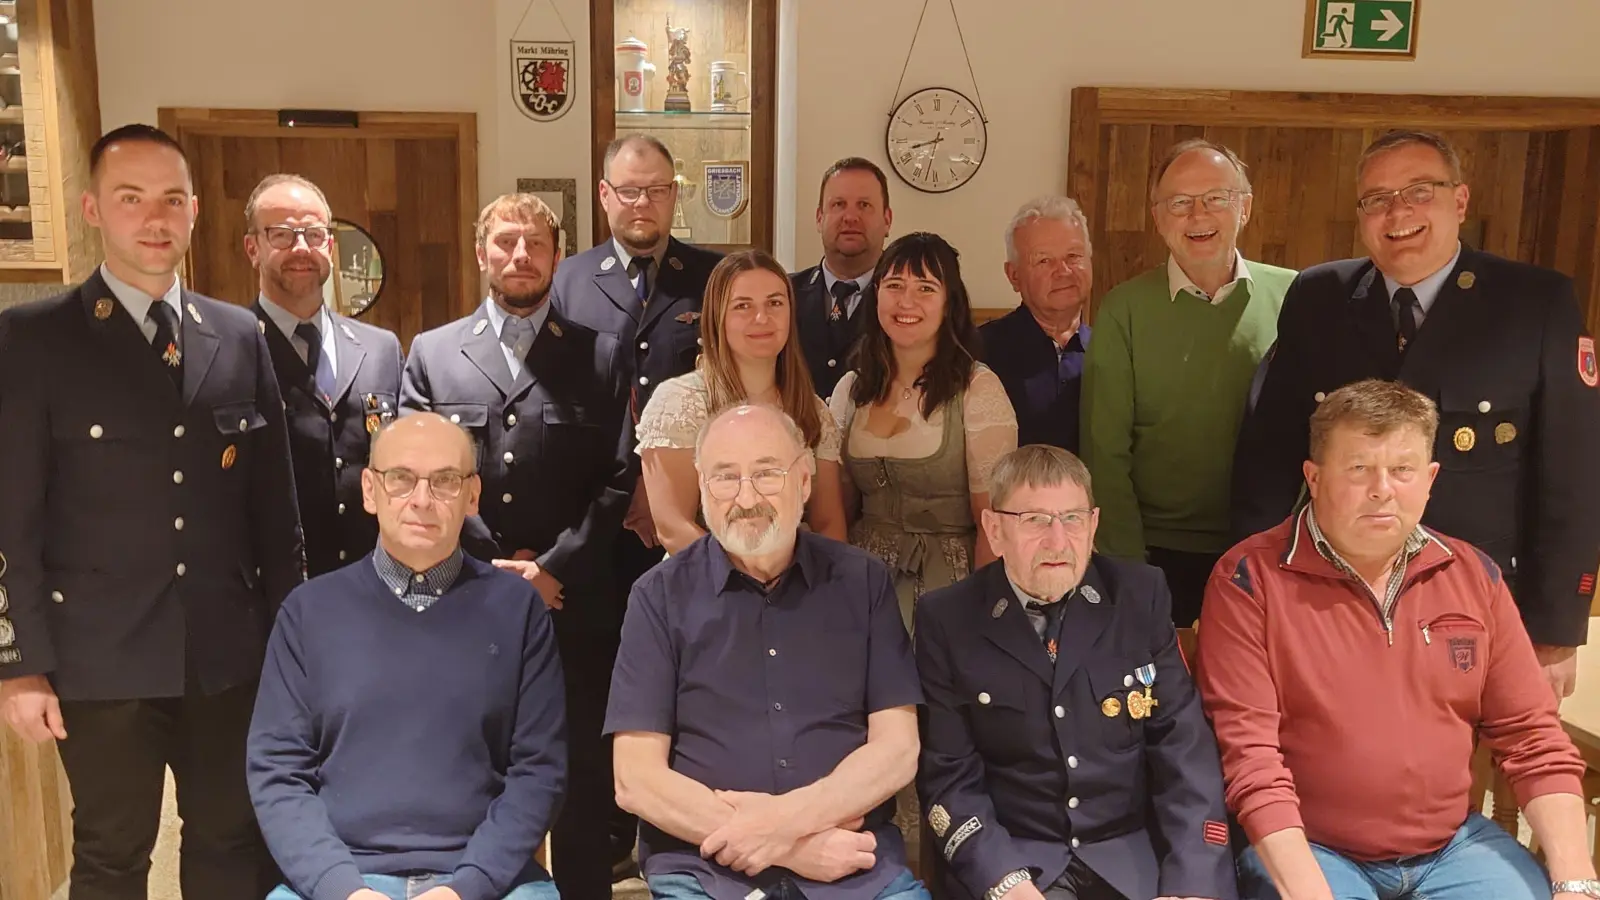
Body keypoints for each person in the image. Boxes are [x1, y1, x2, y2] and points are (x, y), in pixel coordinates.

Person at [0, 123, 302, 899]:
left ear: (196, 210)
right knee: (109, 854)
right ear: (93, 208)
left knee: (229, 841)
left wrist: (291, 650)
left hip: (226, 656)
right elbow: (10, 522)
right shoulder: (32, 339)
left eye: (171, 199)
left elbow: (277, 517)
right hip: (98, 658)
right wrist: (18, 665)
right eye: (131, 199)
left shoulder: (237, 335)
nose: (155, 218)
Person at [1229, 129, 1600, 699]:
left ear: (1460, 200)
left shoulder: (1535, 303)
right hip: (1334, 604)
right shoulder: (1319, 296)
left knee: (1464, 782)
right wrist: (1250, 591)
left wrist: (1555, 631)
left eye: (1419, 191)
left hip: (1476, 609)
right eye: (1375, 199)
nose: (1396, 212)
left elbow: (1574, 476)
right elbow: (1271, 454)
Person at [1200, 379, 1597, 900]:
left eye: (1402, 470)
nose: (1382, 488)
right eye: (1359, 468)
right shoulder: (1248, 580)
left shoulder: (1474, 574)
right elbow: (1252, 764)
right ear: (1314, 478)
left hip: (1455, 848)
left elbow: (1533, 738)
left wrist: (1576, 880)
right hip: (1314, 851)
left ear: (1431, 479)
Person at [401, 193, 634, 900]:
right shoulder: (434, 355)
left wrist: (552, 568)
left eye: (535, 242)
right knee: (481, 783)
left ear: (557, 256)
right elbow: (419, 476)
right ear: (481, 253)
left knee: (584, 792)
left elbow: (622, 478)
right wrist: (494, 572)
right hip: (466, 604)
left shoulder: (600, 353)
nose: (519, 255)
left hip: (577, 609)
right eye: (504, 242)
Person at [606, 403, 931, 900]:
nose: (746, 497)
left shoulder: (863, 582)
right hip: (707, 869)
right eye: (725, 477)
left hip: (852, 867)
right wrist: (788, 845)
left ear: (804, 481)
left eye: (766, 474)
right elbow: (635, 778)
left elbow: (897, 750)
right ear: (701, 485)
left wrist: (784, 823)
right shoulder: (658, 596)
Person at [248, 412, 565, 900]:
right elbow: (278, 772)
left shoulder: (518, 609)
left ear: (472, 496)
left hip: (485, 879)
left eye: (445, 481)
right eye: (401, 479)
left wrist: (467, 888)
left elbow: (539, 771)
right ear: (370, 491)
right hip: (342, 876)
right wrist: (342, 889)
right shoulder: (308, 612)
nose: (422, 499)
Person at [917, 444, 1236, 900]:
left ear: (1094, 525)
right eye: (1034, 520)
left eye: (1072, 519)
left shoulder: (1138, 596)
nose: (1057, 541)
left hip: (1132, 861)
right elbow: (949, 777)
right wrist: (1004, 883)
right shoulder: (948, 619)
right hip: (1018, 864)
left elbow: (1183, 748)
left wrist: (1193, 881)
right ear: (994, 529)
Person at [550, 135, 722, 875]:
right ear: (603, 194)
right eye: (628, 191)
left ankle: (679, 855)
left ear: (673, 195)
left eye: (655, 190)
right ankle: (593, 853)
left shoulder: (710, 278)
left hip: (686, 530)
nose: (641, 203)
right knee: (593, 699)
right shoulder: (568, 280)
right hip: (599, 533)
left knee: (690, 697)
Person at [1081, 141, 1295, 628]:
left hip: (1270, 553)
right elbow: (1104, 449)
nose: (1197, 214)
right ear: (1158, 218)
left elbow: (1321, 433)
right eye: (1179, 202)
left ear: (1245, 206)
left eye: (1216, 198)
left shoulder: (1297, 296)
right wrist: (1130, 573)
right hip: (1158, 556)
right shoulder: (1124, 309)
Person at [829, 231, 1019, 627]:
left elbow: (993, 522)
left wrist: (981, 618)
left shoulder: (977, 389)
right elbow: (839, 508)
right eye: (894, 285)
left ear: (949, 302)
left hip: (949, 589)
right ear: (876, 294)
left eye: (926, 288)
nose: (907, 301)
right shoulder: (851, 388)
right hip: (862, 587)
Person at [246, 173, 404, 575]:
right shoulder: (230, 348)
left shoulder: (381, 348)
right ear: (253, 248)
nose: (301, 248)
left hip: (374, 581)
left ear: (330, 248)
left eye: (314, 235)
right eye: (282, 234)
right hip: (272, 586)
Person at [638, 249, 847, 553]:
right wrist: (749, 587)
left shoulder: (813, 410)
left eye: (775, 303)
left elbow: (829, 524)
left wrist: (798, 588)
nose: (762, 318)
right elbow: (673, 527)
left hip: (799, 588)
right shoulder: (678, 404)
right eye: (742, 306)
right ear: (716, 317)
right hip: (707, 584)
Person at [980, 196, 1094, 453]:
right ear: (1014, 276)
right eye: (1044, 260)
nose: (1063, 271)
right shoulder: (978, 353)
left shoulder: (1113, 350)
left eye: (1074, 256)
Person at [791, 157, 894, 399]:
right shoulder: (784, 295)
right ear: (819, 218)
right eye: (838, 204)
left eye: (864, 205)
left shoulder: (907, 302)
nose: (850, 217)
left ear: (887, 220)